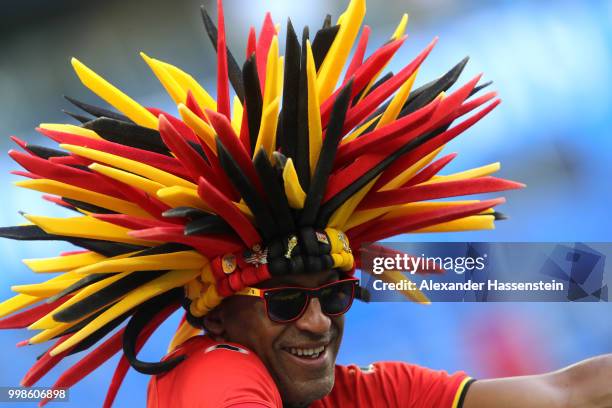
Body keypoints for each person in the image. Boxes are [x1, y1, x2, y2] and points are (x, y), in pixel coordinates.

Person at [0, 0, 608, 407]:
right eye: (286, 300)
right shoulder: (215, 369)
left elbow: (570, 391)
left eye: (334, 294)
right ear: (215, 316)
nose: (317, 320)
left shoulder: (351, 390)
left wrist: (589, 274)